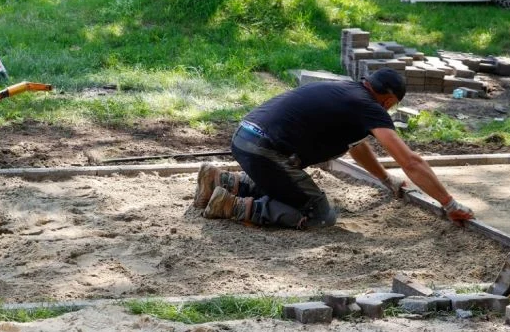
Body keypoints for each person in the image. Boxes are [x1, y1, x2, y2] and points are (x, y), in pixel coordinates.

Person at [193, 68, 475, 230]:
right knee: (319, 214)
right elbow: (410, 161)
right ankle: (234, 206)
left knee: (286, 185)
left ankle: (221, 180)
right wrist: (449, 203)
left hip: (245, 137)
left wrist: (386, 180)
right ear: (388, 101)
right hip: (265, 151)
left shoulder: (346, 92)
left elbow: (357, 147)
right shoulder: (369, 107)